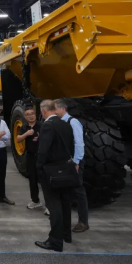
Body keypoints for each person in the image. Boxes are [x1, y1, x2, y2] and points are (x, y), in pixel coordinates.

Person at [35, 100, 76, 253]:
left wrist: (39, 168)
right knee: (65, 203)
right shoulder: (66, 124)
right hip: (66, 169)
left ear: (43, 111)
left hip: (52, 172)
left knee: (54, 205)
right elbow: (71, 146)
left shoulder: (48, 125)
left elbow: (43, 151)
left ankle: (55, 241)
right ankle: (66, 235)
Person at [55, 99, 90, 233]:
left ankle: (83, 222)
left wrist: (76, 162)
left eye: (55, 109)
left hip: (74, 163)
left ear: (63, 109)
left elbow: (79, 144)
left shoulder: (73, 122)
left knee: (78, 191)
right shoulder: (60, 122)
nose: (53, 111)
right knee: (66, 191)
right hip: (65, 162)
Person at [16, 106, 43, 210]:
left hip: (41, 157)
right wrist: (26, 134)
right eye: (28, 115)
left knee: (44, 180)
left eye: (32, 114)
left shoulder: (41, 125)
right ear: (25, 117)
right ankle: (35, 200)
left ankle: (50, 205)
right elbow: (18, 138)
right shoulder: (25, 127)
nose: (31, 116)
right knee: (32, 179)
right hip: (30, 157)